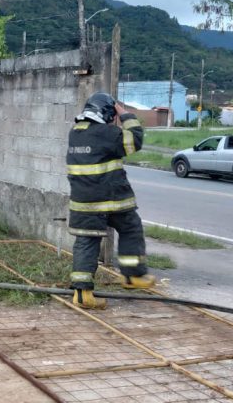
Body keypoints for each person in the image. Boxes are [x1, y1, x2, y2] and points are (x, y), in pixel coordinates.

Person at [66, 91, 155, 309]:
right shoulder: (107, 133)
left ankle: (82, 294)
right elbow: (135, 140)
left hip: (83, 203)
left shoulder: (75, 132)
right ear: (107, 113)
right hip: (112, 201)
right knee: (131, 228)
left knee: (87, 242)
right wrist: (125, 115)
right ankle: (132, 276)